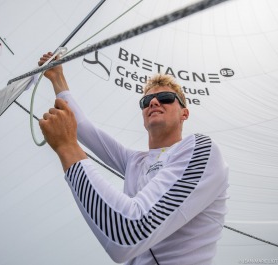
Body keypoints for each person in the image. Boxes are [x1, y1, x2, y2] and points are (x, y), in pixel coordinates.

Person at [38, 52, 229, 265]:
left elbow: (126, 234)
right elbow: (82, 127)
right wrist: (57, 77)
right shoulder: (134, 161)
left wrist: (67, 147)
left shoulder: (202, 149)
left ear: (184, 113)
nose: (154, 102)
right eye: (146, 101)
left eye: (165, 98)